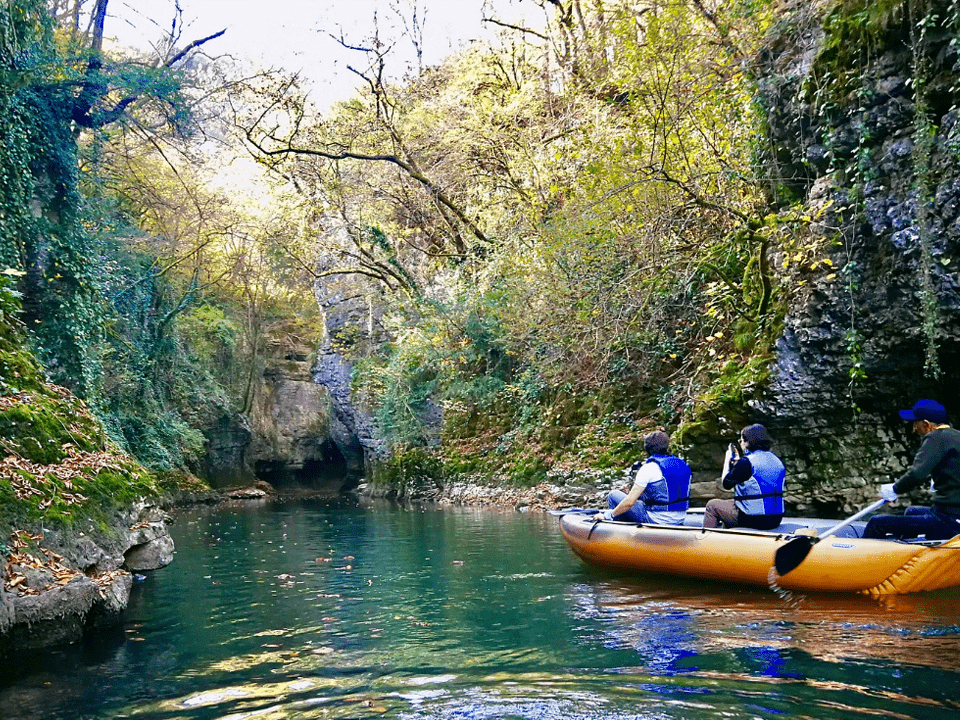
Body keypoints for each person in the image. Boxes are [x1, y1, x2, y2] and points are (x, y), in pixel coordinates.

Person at [862, 399, 960, 540]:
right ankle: (905, 551)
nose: (914, 429)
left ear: (926, 424)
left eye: (915, 423)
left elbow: (917, 474)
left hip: (947, 519)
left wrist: (895, 489)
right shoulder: (956, 435)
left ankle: (864, 559)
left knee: (876, 522)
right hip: (951, 514)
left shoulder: (935, 437)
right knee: (911, 511)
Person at [703, 424, 785, 530]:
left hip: (755, 519)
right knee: (732, 503)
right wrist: (737, 464)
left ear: (748, 442)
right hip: (776, 518)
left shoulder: (747, 462)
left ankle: (705, 540)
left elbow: (726, 484)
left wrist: (727, 460)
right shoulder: (776, 460)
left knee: (712, 505)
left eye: (741, 440)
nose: (740, 443)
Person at [600, 430, 692, 525]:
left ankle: (617, 530)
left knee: (613, 495)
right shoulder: (683, 465)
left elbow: (630, 502)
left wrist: (608, 515)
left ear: (647, 449)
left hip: (656, 520)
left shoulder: (649, 468)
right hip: (679, 519)